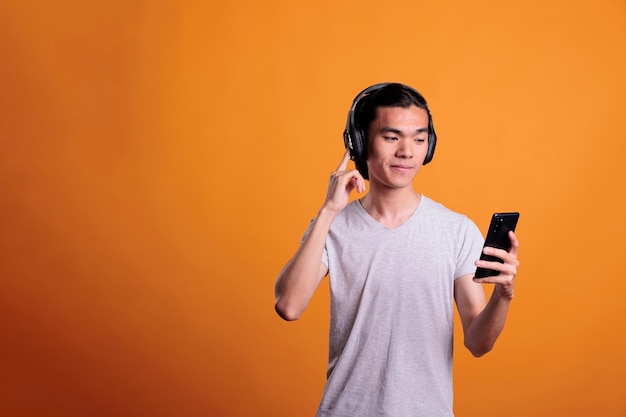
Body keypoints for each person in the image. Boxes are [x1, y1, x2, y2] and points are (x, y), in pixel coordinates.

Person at [274, 83, 519, 417]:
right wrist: (329, 211)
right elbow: (288, 305)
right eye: (391, 138)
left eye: (419, 139)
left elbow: (478, 343)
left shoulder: (456, 230)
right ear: (360, 143)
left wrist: (503, 296)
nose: (407, 151)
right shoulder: (334, 226)